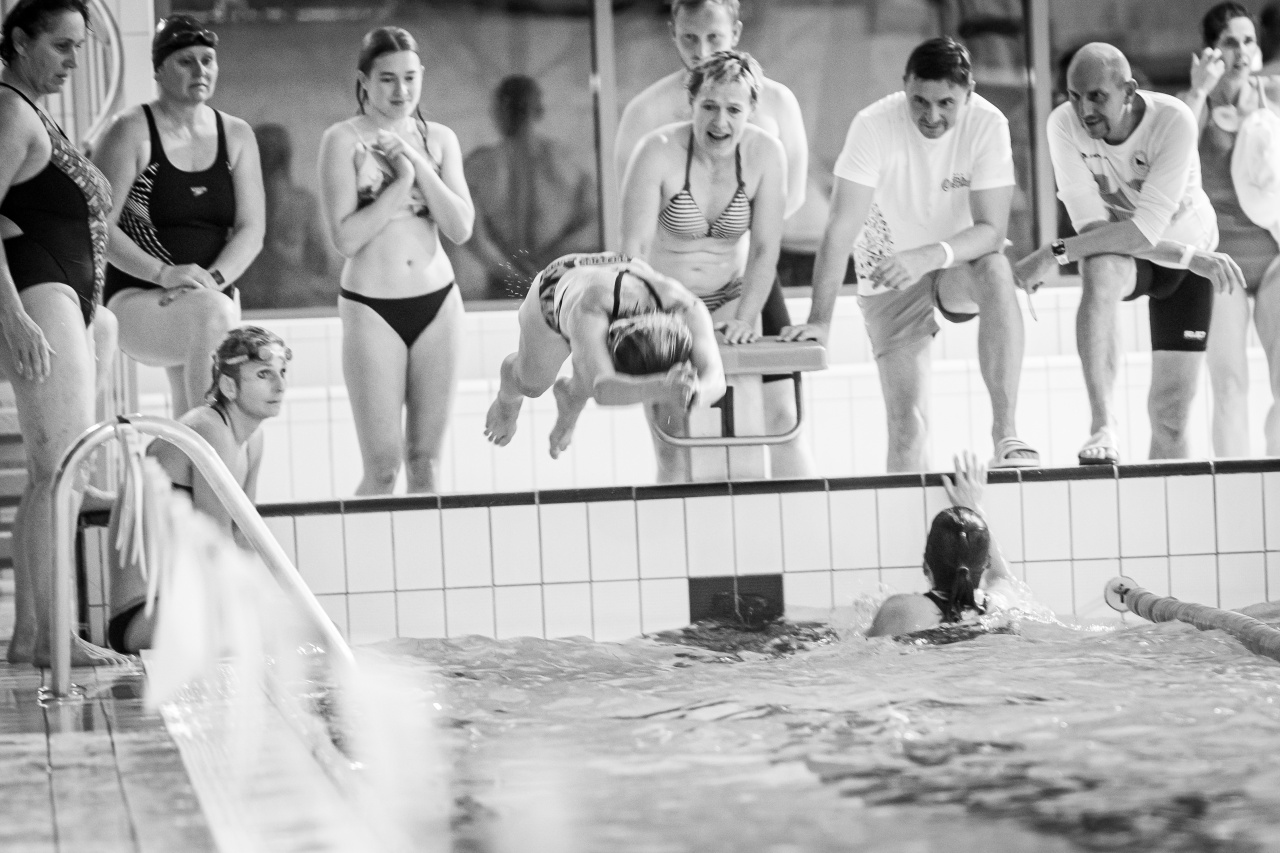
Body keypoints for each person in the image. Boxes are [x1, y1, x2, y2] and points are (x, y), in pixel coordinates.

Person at [782, 37, 1039, 473]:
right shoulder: (873, 125)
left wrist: (928, 256)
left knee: (996, 269)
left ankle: (1005, 433)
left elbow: (992, 231)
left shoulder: (988, 124)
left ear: (969, 92)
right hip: (888, 271)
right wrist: (820, 321)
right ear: (905, 86)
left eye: (946, 103)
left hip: (956, 262)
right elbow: (840, 229)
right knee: (908, 429)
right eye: (919, 100)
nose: (931, 116)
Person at [1015, 43, 1245, 465]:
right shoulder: (1063, 125)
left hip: (1188, 263)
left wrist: (1053, 253)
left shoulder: (1172, 121)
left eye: (1097, 97)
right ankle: (1103, 424)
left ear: (1129, 91)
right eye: (1074, 96)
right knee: (1099, 265)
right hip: (1157, 257)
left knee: (1171, 418)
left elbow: (1143, 231)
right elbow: (1094, 233)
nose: (1084, 110)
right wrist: (1187, 255)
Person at [615, 0, 812, 478]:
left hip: (742, 282)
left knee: (783, 420)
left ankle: (799, 519)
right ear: (691, 105)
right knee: (672, 440)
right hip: (669, 292)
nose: (701, 51)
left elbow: (772, 233)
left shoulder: (773, 123)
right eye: (689, 38)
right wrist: (642, 314)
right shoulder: (649, 126)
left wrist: (744, 309)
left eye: (714, 38)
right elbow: (633, 241)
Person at [0, 0, 125, 666]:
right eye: (61, 46)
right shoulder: (11, 112)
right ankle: (57, 636)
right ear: (20, 42)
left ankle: (29, 633)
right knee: (59, 470)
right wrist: (12, 316)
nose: (74, 61)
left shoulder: (33, 111)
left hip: (62, 294)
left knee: (47, 475)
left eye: (80, 47)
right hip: (37, 292)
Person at [318, 26, 474, 495]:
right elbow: (346, 239)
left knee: (426, 465)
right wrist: (402, 182)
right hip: (372, 309)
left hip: (439, 303)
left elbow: (460, 227)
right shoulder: (342, 140)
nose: (400, 90)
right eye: (387, 79)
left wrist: (418, 163)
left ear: (421, 76)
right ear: (363, 81)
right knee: (383, 469)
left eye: (409, 78)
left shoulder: (440, 139)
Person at [92, 15, 264, 417]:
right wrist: (164, 274)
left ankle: (186, 457)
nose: (200, 70)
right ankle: (209, 450)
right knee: (216, 323)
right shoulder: (130, 131)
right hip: (139, 298)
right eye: (186, 61)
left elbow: (252, 230)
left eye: (207, 60)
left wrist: (209, 281)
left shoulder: (237, 135)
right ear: (158, 70)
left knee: (193, 415)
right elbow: (98, 225)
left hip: (208, 296)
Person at [107, 326, 289, 653]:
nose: (280, 386)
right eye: (264, 374)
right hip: (143, 614)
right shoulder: (208, 429)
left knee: (305, 634)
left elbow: (245, 535)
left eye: (282, 373)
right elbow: (217, 542)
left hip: (189, 604)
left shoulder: (252, 440)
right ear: (229, 386)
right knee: (284, 637)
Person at [484, 252, 726, 468]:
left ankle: (571, 396)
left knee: (591, 363)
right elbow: (603, 388)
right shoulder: (591, 307)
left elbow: (716, 379)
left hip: (622, 270)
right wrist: (664, 386)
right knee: (532, 385)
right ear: (613, 337)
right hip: (557, 284)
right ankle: (508, 396)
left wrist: (695, 391)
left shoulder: (687, 308)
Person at [1179, 4, 1280, 457]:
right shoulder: (1193, 105)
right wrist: (1200, 90)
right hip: (1222, 264)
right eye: (1230, 42)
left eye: (1248, 41)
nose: (1241, 51)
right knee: (1230, 384)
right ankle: (1237, 484)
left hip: (1274, 258)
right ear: (1210, 50)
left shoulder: (1273, 94)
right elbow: (1172, 153)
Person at [464, 75, 598, 300]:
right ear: (539, 110)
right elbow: (594, 223)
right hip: (548, 284)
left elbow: (476, 239)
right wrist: (545, 269)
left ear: (500, 110)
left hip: (513, 287)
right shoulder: (567, 163)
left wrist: (518, 278)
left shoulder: (479, 166)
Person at [866, 452, 1015, 637]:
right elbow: (1002, 578)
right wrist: (975, 509)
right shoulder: (1002, 605)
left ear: (925, 566)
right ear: (986, 564)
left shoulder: (902, 610)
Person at [237, 123, 336, 310]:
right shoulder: (302, 202)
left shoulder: (239, 201)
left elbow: (319, 261)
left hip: (259, 297)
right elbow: (320, 261)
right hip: (281, 296)